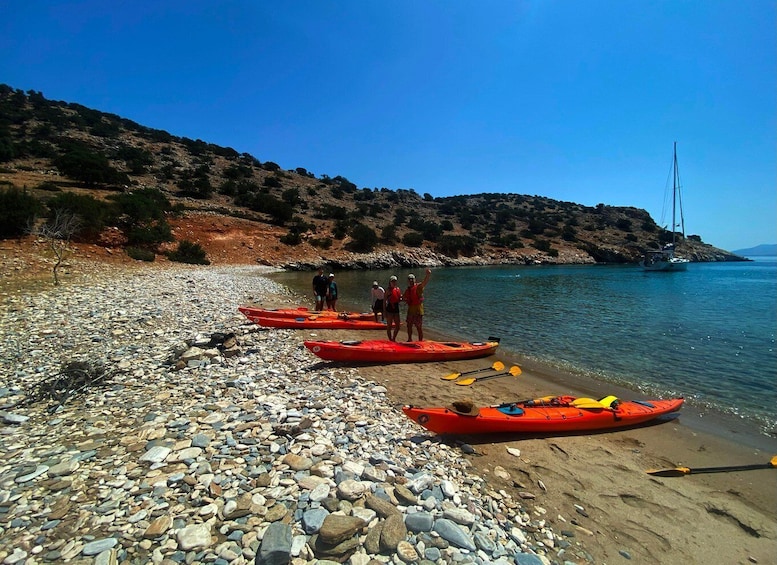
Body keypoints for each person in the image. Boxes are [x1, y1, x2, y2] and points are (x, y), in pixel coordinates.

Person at [402, 268, 431, 341]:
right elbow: (403, 298)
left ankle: (420, 341)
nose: (411, 280)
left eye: (412, 279)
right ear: (408, 281)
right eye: (409, 279)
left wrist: (428, 275)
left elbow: (425, 282)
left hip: (418, 311)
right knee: (409, 326)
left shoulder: (419, 287)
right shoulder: (407, 290)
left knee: (419, 327)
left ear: (415, 279)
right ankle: (409, 339)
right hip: (411, 311)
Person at [384, 275, 402, 341]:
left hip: (396, 308)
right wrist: (384, 311)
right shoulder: (388, 290)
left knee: (398, 326)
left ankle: (393, 338)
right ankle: (390, 339)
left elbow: (399, 298)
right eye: (392, 281)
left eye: (395, 281)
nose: (394, 282)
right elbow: (384, 301)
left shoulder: (398, 289)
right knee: (389, 326)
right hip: (389, 309)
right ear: (390, 282)